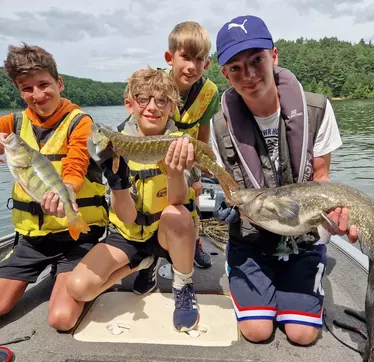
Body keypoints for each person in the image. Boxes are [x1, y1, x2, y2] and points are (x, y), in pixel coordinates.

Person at [211, 16, 358, 345]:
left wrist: (332, 221)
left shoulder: (317, 109)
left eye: (256, 60)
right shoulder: (219, 126)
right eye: (236, 68)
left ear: (274, 56)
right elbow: (229, 192)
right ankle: (246, 274)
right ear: (225, 74)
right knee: (257, 331)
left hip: (302, 237)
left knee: (302, 334)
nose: (248, 75)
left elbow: (321, 180)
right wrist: (229, 209)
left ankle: (297, 273)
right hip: (251, 241)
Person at [67, 68, 199, 332]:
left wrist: (174, 171)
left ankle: (183, 285)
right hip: (129, 233)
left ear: (172, 107)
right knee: (79, 288)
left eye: (161, 101)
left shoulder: (181, 142)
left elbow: (178, 199)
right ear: (130, 104)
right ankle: (143, 263)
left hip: (168, 232)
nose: (152, 107)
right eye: (143, 99)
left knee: (179, 215)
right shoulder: (115, 143)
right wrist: (118, 184)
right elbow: (126, 216)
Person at [0, 44, 108, 331]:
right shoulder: (13, 123)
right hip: (31, 238)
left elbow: (76, 165)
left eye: (44, 84)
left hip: (76, 238)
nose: (37, 95)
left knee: (61, 319)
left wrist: (66, 192)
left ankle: (78, 274)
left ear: (59, 83)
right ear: (18, 91)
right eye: (27, 88)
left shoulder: (80, 121)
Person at [165, 21, 220, 269]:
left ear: (206, 64)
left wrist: (198, 174)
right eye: (185, 57)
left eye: (198, 59)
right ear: (170, 57)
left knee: (191, 198)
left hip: (189, 155)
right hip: (158, 151)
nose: (191, 66)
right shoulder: (157, 86)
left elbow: (204, 134)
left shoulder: (210, 92)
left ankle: (195, 241)